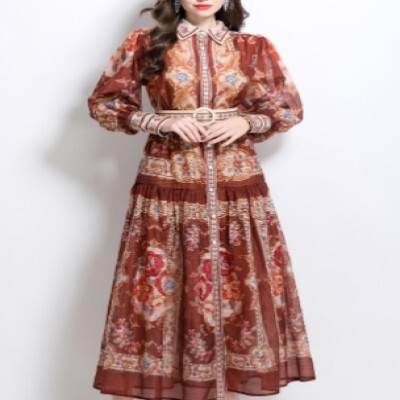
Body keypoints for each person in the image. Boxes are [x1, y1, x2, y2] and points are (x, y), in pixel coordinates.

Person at [87, 1, 316, 399]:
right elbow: (104, 103)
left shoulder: (253, 47)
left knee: (237, 288)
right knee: (162, 288)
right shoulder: (145, 42)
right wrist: (160, 120)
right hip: (169, 180)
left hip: (236, 185)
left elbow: (288, 107)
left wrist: (246, 121)